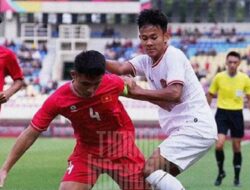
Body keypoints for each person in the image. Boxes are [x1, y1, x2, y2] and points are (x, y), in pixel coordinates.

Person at [0, 50, 149, 190]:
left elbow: (138, 92)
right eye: (86, 84)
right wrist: (5, 169)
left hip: (122, 149)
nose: (91, 90)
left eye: (96, 84)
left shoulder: (113, 82)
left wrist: (133, 85)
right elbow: (31, 133)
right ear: (74, 74)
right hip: (87, 153)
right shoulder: (58, 100)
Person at [106, 9, 217, 190]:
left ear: (166, 36)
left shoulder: (173, 55)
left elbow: (174, 94)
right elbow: (120, 68)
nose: (148, 43)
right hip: (189, 129)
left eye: (153, 37)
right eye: (144, 38)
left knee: (150, 170)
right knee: (153, 183)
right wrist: (94, 60)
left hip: (195, 127)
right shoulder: (145, 61)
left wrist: (137, 92)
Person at [207, 51, 250, 187]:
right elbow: (210, 94)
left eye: (234, 62)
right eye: (229, 62)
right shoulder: (219, 77)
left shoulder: (244, 79)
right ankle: (221, 172)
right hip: (222, 114)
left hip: (237, 114)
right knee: (219, 144)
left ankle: (237, 178)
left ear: (239, 63)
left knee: (236, 147)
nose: (232, 65)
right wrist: (205, 111)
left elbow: (249, 98)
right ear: (226, 62)